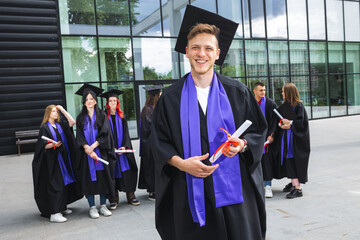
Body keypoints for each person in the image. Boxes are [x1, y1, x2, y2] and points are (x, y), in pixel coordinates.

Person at [151, 5, 267, 240]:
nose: (201, 53)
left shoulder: (238, 92)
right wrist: (182, 165)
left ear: (217, 53)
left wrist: (242, 144)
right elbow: (158, 141)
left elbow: (258, 131)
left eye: (207, 48)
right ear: (186, 52)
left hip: (234, 194)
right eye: (195, 48)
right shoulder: (170, 98)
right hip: (189, 192)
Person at [32, 105, 82, 222]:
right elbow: (42, 146)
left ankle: (62, 207)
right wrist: (53, 144)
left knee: (64, 183)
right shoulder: (45, 128)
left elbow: (72, 122)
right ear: (48, 113)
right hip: (52, 162)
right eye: (54, 111)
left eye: (56, 112)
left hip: (63, 159)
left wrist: (62, 110)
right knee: (57, 185)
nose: (56, 113)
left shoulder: (59, 126)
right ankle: (54, 213)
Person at [75, 84, 116, 218]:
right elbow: (79, 137)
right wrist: (87, 149)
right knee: (90, 182)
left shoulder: (102, 116)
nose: (89, 101)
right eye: (87, 99)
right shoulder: (80, 118)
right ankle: (92, 207)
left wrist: (93, 146)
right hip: (87, 156)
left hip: (101, 153)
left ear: (95, 101)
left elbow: (106, 134)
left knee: (102, 180)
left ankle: (103, 206)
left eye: (92, 99)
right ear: (84, 102)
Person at [100, 89, 140, 209]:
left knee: (127, 171)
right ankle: (114, 199)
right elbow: (102, 134)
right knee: (112, 173)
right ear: (107, 103)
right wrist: (110, 147)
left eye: (114, 101)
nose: (112, 103)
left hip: (122, 150)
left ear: (118, 103)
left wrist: (124, 146)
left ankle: (131, 196)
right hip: (110, 150)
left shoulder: (122, 117)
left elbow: (126, 134)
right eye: (110, 101)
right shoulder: (103, 117)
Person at [272, 83, 310, 199]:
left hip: (296, 142)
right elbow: (280, 121)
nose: (282, 94)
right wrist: (282, 124)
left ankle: (297, 188)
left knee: (293, 161)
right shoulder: (285, 106)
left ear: (289, 93)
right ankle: (293, 183)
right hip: (287, 140)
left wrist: (291, 123)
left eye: (284, 92)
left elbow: (302, 123)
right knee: (288, 161)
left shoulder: (299, 106)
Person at [252, 82, 278, 198]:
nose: (263, 92)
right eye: (260, 90)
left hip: (266, 139)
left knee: (266, 162)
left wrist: (272, 134)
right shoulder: (250, 103)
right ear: (254, 91)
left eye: (264, 90)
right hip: (253, 138)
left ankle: (268, 186)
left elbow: (274, 121)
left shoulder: (270, 103)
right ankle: (257, 186)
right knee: (254, 163)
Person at [138, 85, 163, 201]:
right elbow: (149, 127)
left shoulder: (152, 108)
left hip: (152, 143)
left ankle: (155, 189)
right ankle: (152, 191)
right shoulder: (147, 110)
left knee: (154, 167)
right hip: (149, 144)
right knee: (151, 168)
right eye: (160, 94)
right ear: (156, 96)